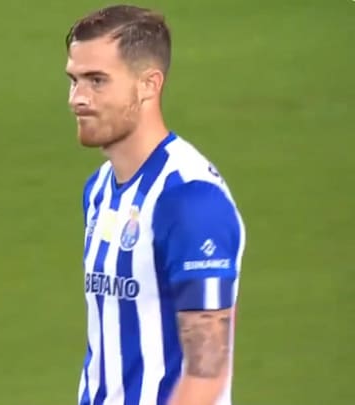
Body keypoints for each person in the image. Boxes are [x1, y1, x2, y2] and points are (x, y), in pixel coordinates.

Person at [65, 5, 246, 405]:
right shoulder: (99, 190)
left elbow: (207, 370)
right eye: (74, 80)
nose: (78, 98)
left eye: (97, 81)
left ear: (149, 84)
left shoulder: (190, 200)